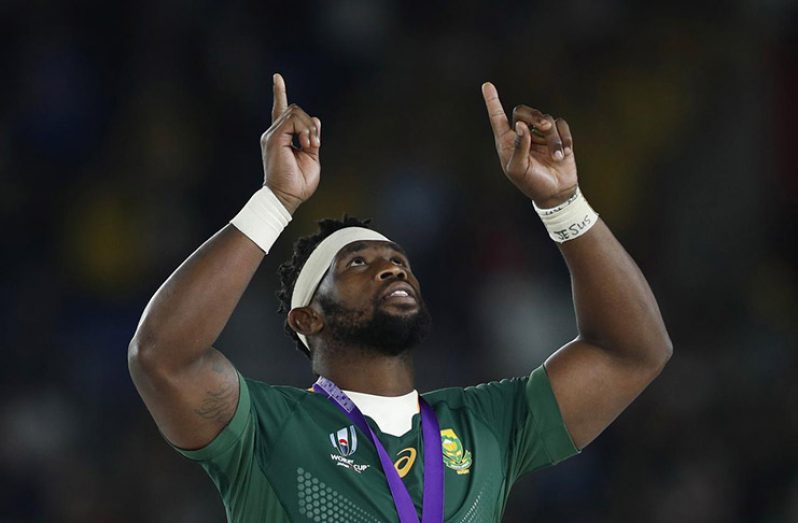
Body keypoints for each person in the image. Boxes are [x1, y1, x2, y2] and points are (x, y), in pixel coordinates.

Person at [128, 73, 672, 522]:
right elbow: (162, 356)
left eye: (399, 262)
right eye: (357, 263)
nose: (391, 266)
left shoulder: (483, 426)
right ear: (307, 318)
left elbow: (633, 351)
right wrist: (276, 201)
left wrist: (564, 204)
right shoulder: (266, 430)